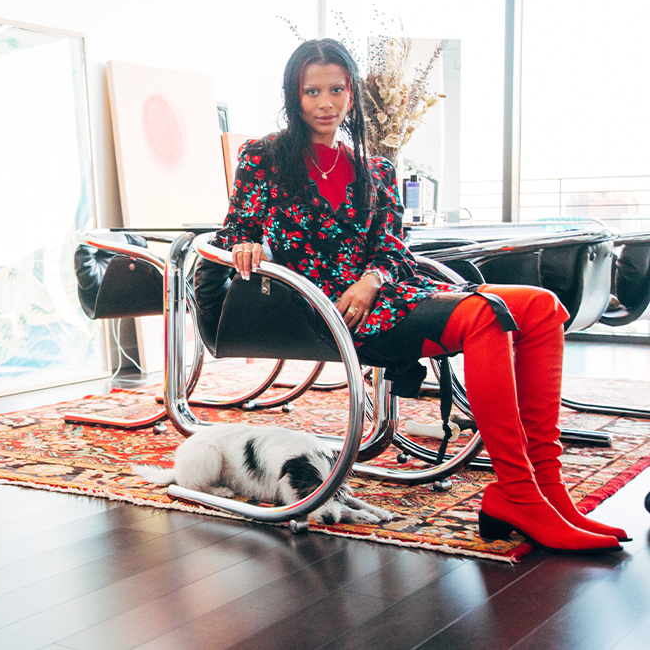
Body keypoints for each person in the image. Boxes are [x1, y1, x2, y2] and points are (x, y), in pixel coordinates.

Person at [213, 38, 627, 553]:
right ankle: (517, 491)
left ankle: (545, 487)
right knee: (483, 317)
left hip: (388, 291)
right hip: (322, 308)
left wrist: (373, 279)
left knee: (541, 305)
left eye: (336, 89)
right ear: (293, 96)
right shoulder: (266, 157)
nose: (325, 103)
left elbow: (389, 248)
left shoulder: (377, 167)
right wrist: (247, 244)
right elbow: (235, 230)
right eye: (311, 91)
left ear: (352, 93)